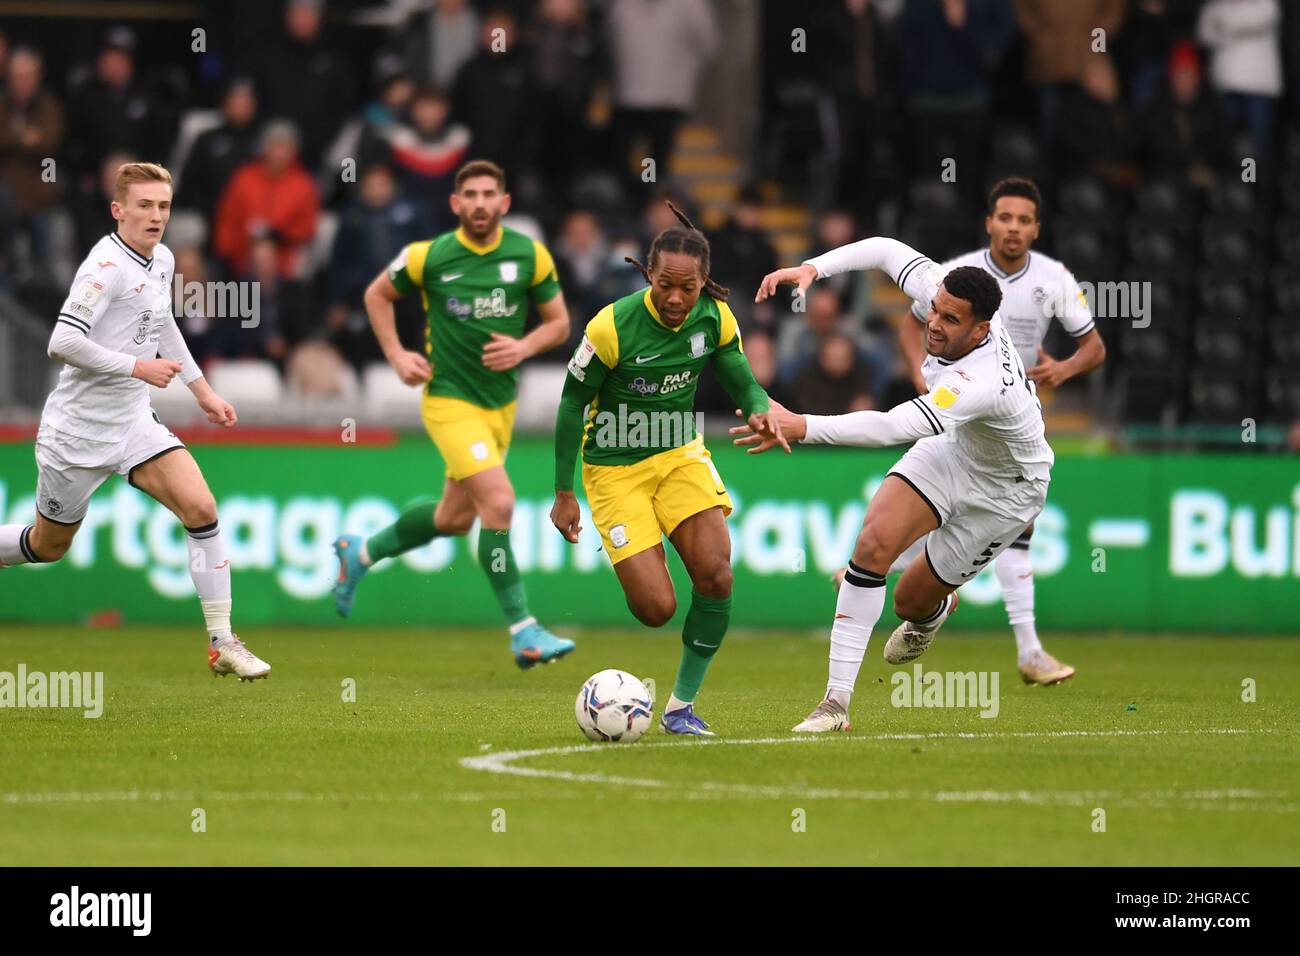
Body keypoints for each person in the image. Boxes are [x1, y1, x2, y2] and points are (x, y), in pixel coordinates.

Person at [744, 235, 1052, 732]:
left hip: (1008, 491)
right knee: (871, 545)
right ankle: (835, 705)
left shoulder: (981, 380)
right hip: (955, 449)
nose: (935, 322)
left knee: (909, 601)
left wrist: (802, 426)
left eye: (952, 320)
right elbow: (886, 250)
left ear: (981, 331)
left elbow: (892, 427)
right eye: (936, 310)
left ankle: (933, 610)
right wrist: (812, 269)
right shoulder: (942, 291)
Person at [0, 162, 269, 680]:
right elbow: (62, 342)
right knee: (47, 545)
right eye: (144, 206)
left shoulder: (161, 259)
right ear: (117, 210)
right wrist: (136, 366)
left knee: (201, 507)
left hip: (132, 423)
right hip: (76, 435)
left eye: (163, 206)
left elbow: (162, 321)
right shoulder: (103, 268)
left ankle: (223, 642)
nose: (156, 216)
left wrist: (204, 393)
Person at [550, 202, 785, 736]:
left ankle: (680, 707)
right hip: (613, 466)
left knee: (717, 575)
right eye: (664, 286)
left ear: (705, 281)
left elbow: (741, 379)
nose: (676, 299)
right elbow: (569, 406)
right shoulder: (610, 327)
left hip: (679, 455)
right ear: (647, 274)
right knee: (656, 608)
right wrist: (564, 491)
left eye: (689, 287)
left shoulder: (715, 316)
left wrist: (760, 408)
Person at [331, 160, 575, 670]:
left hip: (499, 408)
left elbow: (559, 324)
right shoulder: (429, 257)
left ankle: (362, 553)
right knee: (501, 502)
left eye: (490, 194)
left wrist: (524, 346)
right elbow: (376, 294)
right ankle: (523, 630)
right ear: (455, 204)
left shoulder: (529, 255)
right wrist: (397, 355)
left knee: (452, 519)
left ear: (505, 203)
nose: (481, 203)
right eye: (471, 194)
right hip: (448, 401)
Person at [896, 177, 1105, 685]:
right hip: (957, 408)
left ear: (1037, 228)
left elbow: (1095, 347)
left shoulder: (1055, 278)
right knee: (936, 499)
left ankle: (1028, 652)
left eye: (1024, 220)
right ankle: (1028, 652)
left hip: (1012, 417)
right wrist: (923, 377)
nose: (1013, 228)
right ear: (989, 222)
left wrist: (1064, 371)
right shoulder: (960, 277)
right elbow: (910, 324)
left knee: (1012, 528)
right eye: (1004, 217)